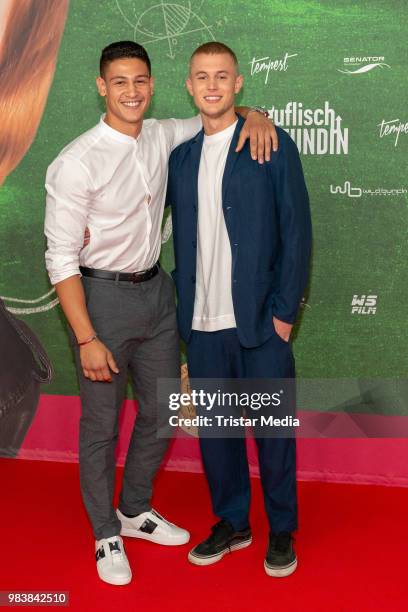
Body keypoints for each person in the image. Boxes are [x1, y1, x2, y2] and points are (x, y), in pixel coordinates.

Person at [44, 40, 278, 586]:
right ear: (102, 87)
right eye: (120, 82)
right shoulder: (76, 161)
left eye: (141, 81)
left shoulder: (163, 134)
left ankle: (134, 509)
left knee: (164, 411)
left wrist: (256, 113)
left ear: (153, 84)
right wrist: (85, 338)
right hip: (100, 301)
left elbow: (215, 113)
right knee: (101, 426)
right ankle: (106, 534)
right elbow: (58, 257)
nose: (132, 91)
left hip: (158, 296)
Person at [167, 42, 312, 577]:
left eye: (222, 76)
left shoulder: (269, 145)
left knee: (273, 433)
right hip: (202, 326)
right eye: (201, 76)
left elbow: (297, 232)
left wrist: (284, 313)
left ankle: (281, 530)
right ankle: (232, 522)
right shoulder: (179, 156)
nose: (211, 85)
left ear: (239, 83)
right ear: (188, 85)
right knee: (219, 436)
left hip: (260, 323)